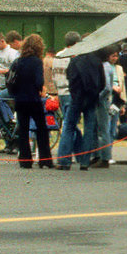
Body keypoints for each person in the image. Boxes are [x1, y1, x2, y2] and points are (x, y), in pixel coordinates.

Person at [6, 34, 51, 169]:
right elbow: (39, 81)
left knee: (23, 129)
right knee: (41, 129)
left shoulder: (18, 61)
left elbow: (10, 79)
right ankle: (45, 159)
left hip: (20, 99)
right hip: (33, 99)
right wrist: (39, 89)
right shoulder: (37, 61)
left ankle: (25, 159)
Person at [64, 44, 111, 169]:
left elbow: (69, 77)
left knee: (69, 127)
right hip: (91, 98)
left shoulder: (74, 61)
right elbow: (102, 83)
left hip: (76, 98)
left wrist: (74, 92)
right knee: (89, 129)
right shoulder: (97, 62)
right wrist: (94, 93)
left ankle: (64, 161)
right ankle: (85, 161)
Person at [52, 32, 81, 169]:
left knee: (72, 124)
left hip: (61, 92)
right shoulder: (73, 57)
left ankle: (82, 154)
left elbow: (54, 76)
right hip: (71, 93)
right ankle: (64, 159)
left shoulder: (57, 56)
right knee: (69, 127)